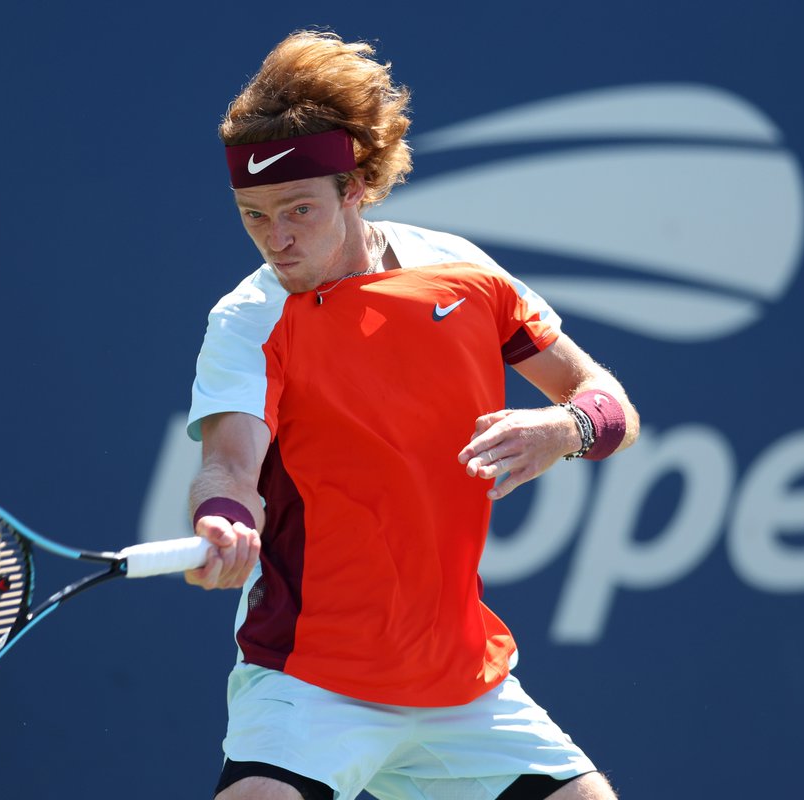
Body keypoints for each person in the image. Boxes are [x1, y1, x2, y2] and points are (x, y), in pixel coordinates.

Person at [184, 29, 640, 800]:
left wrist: (566, 429)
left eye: (297, 209)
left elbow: (606, 400)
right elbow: (229, 462)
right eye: (254, 216)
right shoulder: (246, 319)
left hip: (462, 685)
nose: (278, 240)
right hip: (308, 680)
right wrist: (223, 518)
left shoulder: (462, 276)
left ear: (354, 185)